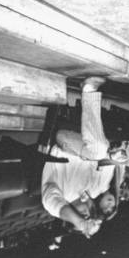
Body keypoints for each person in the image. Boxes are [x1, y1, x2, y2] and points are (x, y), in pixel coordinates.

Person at [41, 77, 119, 237]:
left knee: (98, 150)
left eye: (80, 217)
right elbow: (109, 163)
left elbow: (57, 207)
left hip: (64, 144)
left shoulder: (56, 199)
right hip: (85, 146)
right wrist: (122, 157)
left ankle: (89, 91)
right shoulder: (95, 191)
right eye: (89, 216)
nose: (87, 215)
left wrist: (82, 223)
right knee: (112, 152)